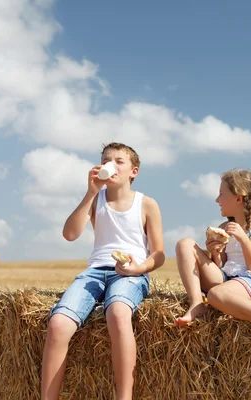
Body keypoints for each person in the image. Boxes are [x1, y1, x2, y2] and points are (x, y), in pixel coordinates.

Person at [41, 142, 165, 400]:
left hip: (130, 273)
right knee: (58, 324)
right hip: (95, 272)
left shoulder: (146, 204)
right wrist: (90, 192)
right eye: (107, 160)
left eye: (119, 161)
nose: (111, 164)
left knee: (119, 313)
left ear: (134, 171)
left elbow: (159, 254)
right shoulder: (95, 200)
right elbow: (70, 234)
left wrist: (138, 268)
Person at [174, 168, 251, 361]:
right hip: (229, 277)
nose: (217, 200)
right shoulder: (223, 227)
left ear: (238, 198)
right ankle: (197, 303)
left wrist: (244, 239)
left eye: (222, 194)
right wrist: (215, 253)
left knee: (217, 294)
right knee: (184, 244)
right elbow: (222, 266)